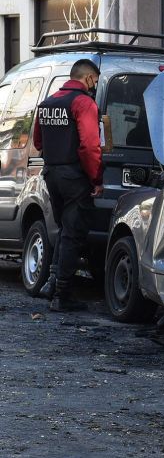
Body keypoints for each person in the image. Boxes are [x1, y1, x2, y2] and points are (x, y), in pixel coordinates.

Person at [32, 58, 104, 312]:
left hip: (52, 173)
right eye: (95, 80)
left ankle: (51, 284)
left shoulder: (48, 102)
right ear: (86, 78)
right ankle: (62, 295)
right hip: (75, 176)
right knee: (73, 234)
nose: (95, 85)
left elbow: (38, 141)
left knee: (64, 229)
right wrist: (96, 179)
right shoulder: (84, 103)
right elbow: (89, 146)